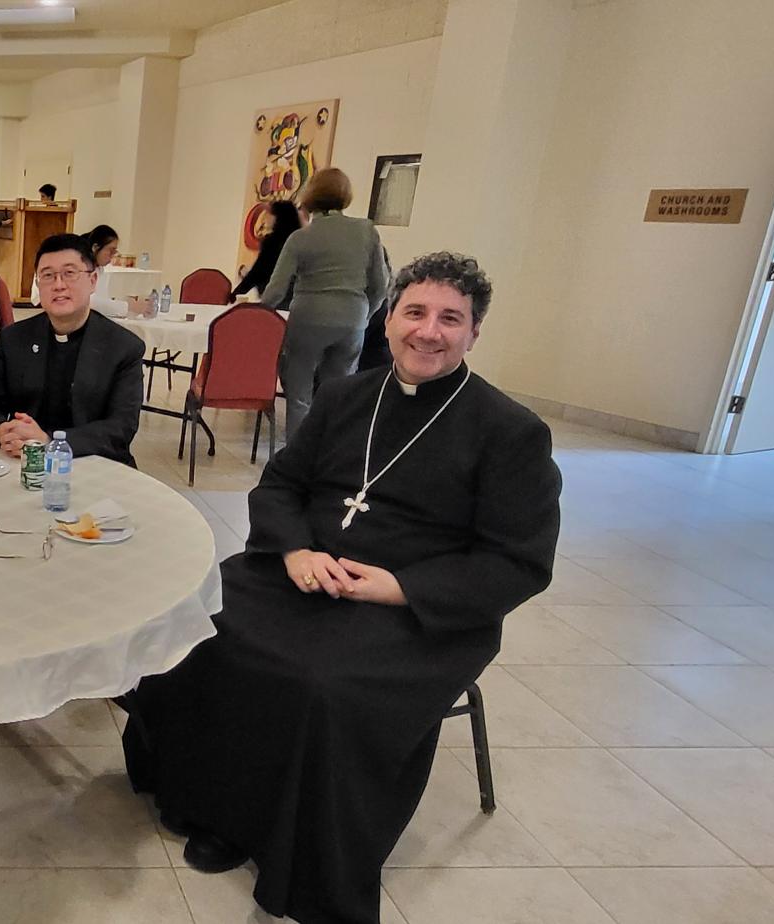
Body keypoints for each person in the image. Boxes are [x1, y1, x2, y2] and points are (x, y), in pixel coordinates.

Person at [122, 253, 561, 924]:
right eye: (415, 312)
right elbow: (281, 485)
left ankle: (287, 848)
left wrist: (400, 588)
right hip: (305, 571)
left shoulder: (511, 432)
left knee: (318, 684)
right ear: (388, 321)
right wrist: (295, 549)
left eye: (451, 319)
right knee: (198, 623)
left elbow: (517, 561)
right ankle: (209, 808)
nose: (429, 331)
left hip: (420, 609)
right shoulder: (346, 397)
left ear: (474, 333)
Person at [0, 233, 145, 466]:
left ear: (92, 280)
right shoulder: (14, 339)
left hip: (96, 464)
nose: (58, 285)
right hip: (25, 463)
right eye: (48, 275)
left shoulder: (123, 347)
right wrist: (3, 431)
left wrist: (49, 441)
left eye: (69, 273)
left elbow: (121, 428)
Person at [260, 168, 388, 439]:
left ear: (310, 195)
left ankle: (298, 452)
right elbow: (381, 285)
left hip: (308, 320)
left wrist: (257, 315)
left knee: (299, 394)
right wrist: (364, 316)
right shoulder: (366, 231)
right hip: (352, 320)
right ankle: (329, 451)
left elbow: (275, 290)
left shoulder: (300, 238)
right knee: (338, 393)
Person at [233, 200, 304, 299]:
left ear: (277, 216)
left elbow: (258, 271)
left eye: (269, 214)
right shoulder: (300, 239)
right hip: (297, 296)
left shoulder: (273, 241)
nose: (266, 219)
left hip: (274, 296)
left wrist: (236, 293)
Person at [83, 224, 138, 318]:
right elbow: (89, 301)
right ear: (95, 247)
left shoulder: (100, 269)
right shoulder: (83, 268)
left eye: (114, 252)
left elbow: (102, 299)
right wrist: (127, 307)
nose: (112, 256)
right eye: (111, 251)